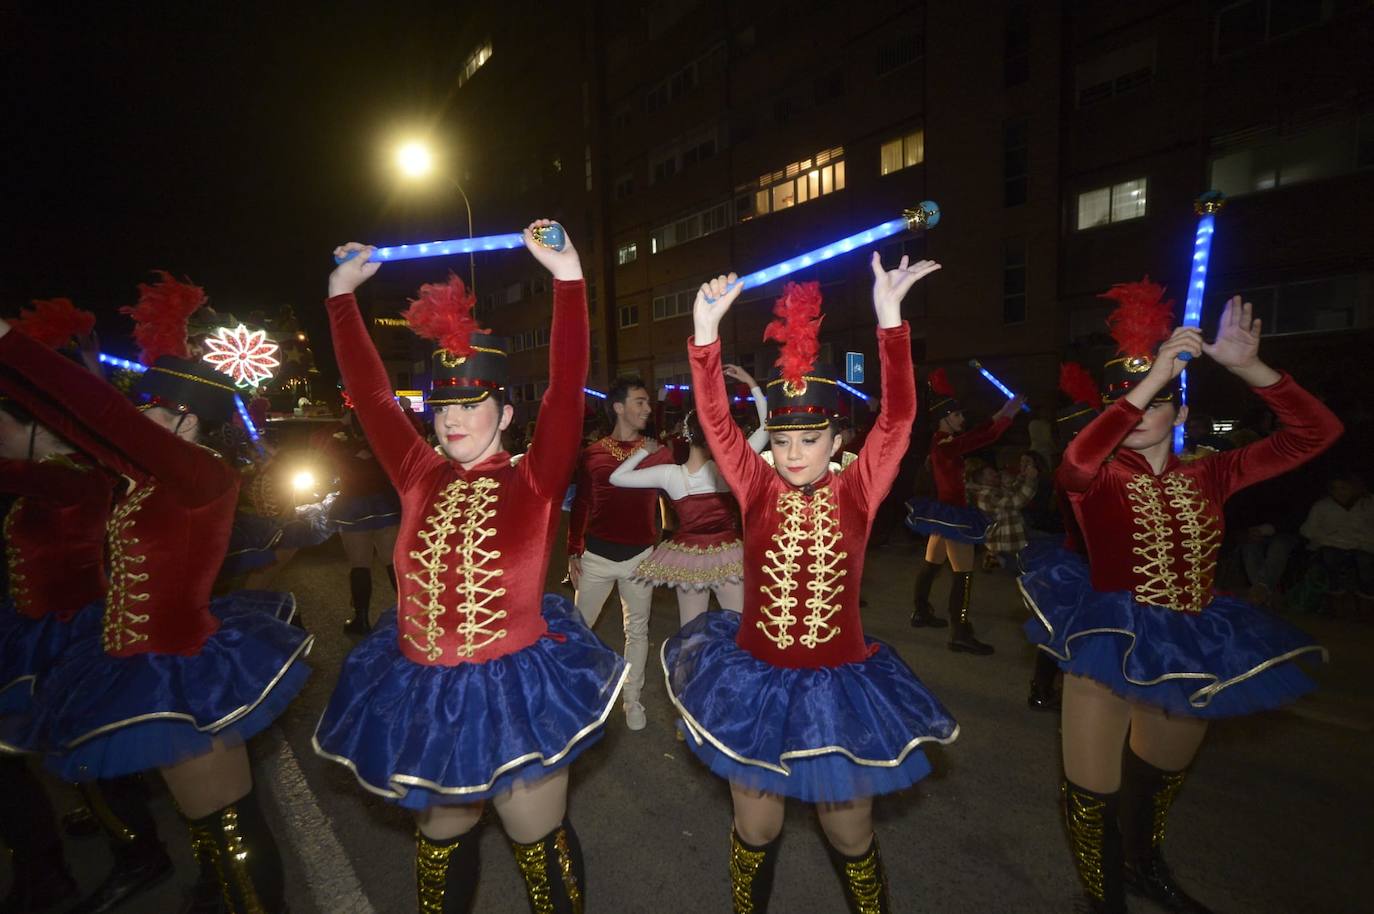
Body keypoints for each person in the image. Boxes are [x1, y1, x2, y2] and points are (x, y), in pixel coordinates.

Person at [314, 224, 625, 913]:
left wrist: (569, 279)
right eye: (444, 406)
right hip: (428, 690)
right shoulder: (417, 473)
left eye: (472, 404)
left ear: (505, 411)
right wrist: (341, 298)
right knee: (441, 839)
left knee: (536, 844)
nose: (453, 420)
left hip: (515, 692)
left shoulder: (534, 479)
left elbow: (567, 389)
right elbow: (370, 396)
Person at [1020, 283, 1342, 914]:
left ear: (1184, 413)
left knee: (1160, 776)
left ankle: (1145, 865)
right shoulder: (1097, 476)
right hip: (1109, 641)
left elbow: (1316, 433)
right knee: (1093, 786)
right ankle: (1104, 897)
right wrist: (1152, 376)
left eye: (1158, 402)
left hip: (1194, 639)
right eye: (1125, 403)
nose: (1138, 414)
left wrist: (1251, 368)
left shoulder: (1213, 471)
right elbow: (1076, 462)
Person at [0, 272, 314, 914]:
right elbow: (77, 421)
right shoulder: (145, 477)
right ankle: (217, 896)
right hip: (139, 663)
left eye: (148, 407)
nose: (135, 414)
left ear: (186, 420)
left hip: (179, 669)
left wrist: (9, 343)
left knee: (229, 827)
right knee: (212, 823)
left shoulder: (198, 472)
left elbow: (99, 413)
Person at [665, 258, 957, 913]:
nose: (794, 452)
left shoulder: (859, 489)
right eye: (784, 438)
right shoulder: (755, 485)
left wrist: (891, 324)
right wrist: (704, 338)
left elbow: (901, 419)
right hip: (756, 685)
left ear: (835, 437)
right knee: (757, 827)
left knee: (849, 832)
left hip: (840, 687)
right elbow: (717, 425)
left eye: (810, 437)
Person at [0, 307, 127, 913]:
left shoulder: (70, 478)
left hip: (70, 632)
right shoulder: (56, 476)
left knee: (85, 748)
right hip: (36, 629)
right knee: (66, 748)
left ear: (30, 429)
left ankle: (131, 848)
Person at [609, 364, 768, 627]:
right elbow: (766, 427)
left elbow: (616, 477)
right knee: (740, 629)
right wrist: (751, 383)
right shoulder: (729, 468)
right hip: (728, 555)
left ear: (687, 435)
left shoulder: (671, 474)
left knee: (691, 633)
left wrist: (643, 453)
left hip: (688, 557)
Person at [567, 376, 674, 730]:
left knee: (638, 631)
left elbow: (675, 498)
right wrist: (573, 551)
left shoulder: (658, 452)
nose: (647, 408)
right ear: (618, 407)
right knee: (580, 630)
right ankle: (577, 695)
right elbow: (581, 503)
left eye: (647, 402)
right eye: (639, 402)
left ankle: (632, 699)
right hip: (596, 558)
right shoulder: (593, 454)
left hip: (640, 558)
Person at [905, 369, 1022, 653]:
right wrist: (1007, 416)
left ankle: (921, 611)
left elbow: (977, 433)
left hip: (946, 515)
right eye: (956, 415)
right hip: (954, 517)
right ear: (944, 418)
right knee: (964, 573)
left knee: (932, 564)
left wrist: (1000, 414)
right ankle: (959, 632)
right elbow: (981, 439)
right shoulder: (945, 445)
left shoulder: (942, 442)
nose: (962, 419)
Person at [325, 406, 402, 633]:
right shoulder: (385, 443)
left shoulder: (340, 443)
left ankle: (361, 620)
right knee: (393, 563)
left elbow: (320, 449)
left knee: (360, 565)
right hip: (384, 505)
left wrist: (341, 425)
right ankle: (409, 614)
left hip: (354, 507)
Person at [1298, 471, 1374, 611]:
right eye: (1335, 489)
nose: (1340, 492)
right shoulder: (1322, 506)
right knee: (1330, 557)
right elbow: (1307, 530)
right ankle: (1336, 596)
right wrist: (1328, 537)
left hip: (1362, 547)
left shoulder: (1368, 504)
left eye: (1344, 488)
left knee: (1365, 561)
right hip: (1331, 546)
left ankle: (1366, 597)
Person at [967, 454, 1039, 569]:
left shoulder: (995, 490)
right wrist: (1030, 479)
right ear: (982, 480)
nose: (996, 475)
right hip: (1006, 543)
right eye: (990, 474)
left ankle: (995, 559)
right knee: (1024, 570)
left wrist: (1024, 473)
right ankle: (995, 560)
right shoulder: (987, 495)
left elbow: (1014, 489)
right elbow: (1016, 502)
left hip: (1011, 538)